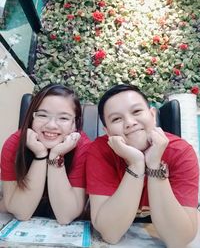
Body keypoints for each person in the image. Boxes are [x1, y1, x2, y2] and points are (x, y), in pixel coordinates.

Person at [86, 84, 199, 248]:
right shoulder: (100, 151)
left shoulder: (181, 152)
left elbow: (178, 240)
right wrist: (136, 164)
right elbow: (110, 233)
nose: (130, 123)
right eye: (117, 119)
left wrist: (154, 164)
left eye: (137, 111)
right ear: (107, 131)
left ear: (152, 115)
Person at [0, 84, 91, 224]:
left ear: (75, 123)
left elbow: (66, 216)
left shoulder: (83, 148)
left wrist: (56, 155)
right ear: (32, 118)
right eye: (42, 115)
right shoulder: (15, 144)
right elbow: (21, 211)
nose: (51, 125)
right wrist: (40, 155)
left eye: (63, 118)